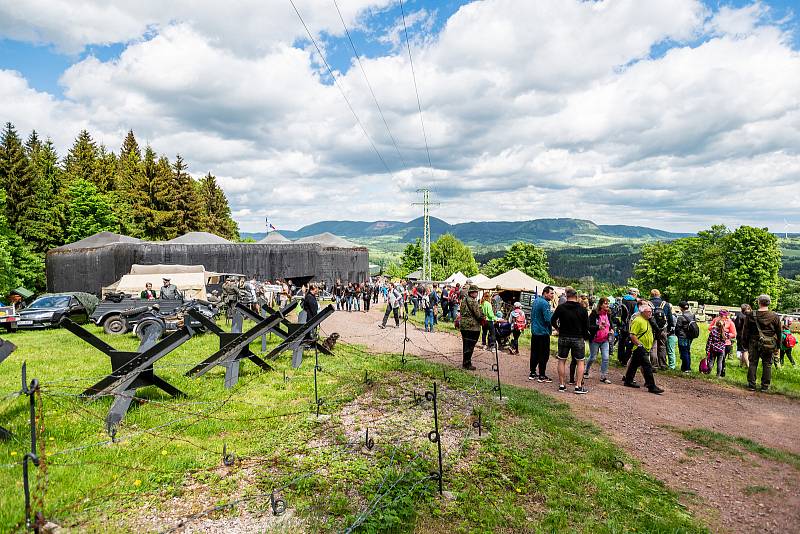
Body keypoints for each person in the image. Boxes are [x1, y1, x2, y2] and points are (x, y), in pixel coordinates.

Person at [551, 287, 590, 394]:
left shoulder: (561, 307)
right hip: (578, 337)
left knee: (562, 360)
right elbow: (587, 326)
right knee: (580, 361)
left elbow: (552, 320)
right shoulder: (582, 309)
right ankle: (578, 386)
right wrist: (584, 335)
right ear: (576, 297)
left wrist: (558, 329)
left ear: (567, 296)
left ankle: (562, 385)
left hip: (563, 336)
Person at [623, 302, 664, 394]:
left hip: (644, 347)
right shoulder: (638, 320)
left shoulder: (648, 320)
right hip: (640, 347)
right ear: (642, 312)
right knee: (647, 366)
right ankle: (651, 386)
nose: (650, 313)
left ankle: (628, 380)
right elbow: (632, 335)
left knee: (633, 365)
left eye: (650, 311)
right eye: (648, 311)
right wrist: (639, 345)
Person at [745, 294, 782, 391]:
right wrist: (778, 346)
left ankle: (751, 385)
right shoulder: (774, 316)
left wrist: (744, 344)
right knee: (767, 364)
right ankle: (765, 386)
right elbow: (779, 332)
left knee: (753, 363)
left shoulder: (751, 315)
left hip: (753, 342)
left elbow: (746, 331)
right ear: (769, 303)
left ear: (758, 302)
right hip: (769, 343)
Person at [530, 286, 555, 382]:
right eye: (551, 293)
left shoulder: (536, 301)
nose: (552, 295)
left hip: (535, 331)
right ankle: (542, 375)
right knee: (544, 355)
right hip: (543, 332)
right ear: (545, 293)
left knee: (534, 353)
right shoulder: (545, 304)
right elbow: (548, 319)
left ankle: (532, 372)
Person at [458, 285, 484, 370]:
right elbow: (478, 315)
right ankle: (467, 364)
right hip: (472, 327)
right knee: (470, 346)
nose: (477, 294)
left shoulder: (464, 300)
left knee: (466, 345)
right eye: (476, 292)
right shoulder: (473, 301)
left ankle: (465, 362)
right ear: (472, 293)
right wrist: (483, 318)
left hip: (464, 325)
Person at [586, 297, 612, 384]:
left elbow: (610, 325)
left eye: (608, 303)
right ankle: (586, 370)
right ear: (600, 305)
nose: (607, 305)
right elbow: (588, 326)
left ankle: (603, 376)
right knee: (593, 357)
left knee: (606, 358)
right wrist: (598, 327)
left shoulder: (608, 314)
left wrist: (611, 329)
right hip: (595, 339)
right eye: (605, 303)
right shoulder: (594, 313)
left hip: (605, 340)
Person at [649, 289, 674, 370]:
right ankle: (663, 365)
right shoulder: (665, 304)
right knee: (662, 346)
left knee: (653, 347)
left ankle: (654, 365)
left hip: (651, 327)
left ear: (651, 295)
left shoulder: (648, 303)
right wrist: (670, 328)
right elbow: (670, 317)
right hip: (663, 328)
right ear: (659, 295)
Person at [708, 310, 736, 377]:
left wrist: (725, 335)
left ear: (726, 315)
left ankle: (721, 374)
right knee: (712, 359)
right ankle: (709, 372)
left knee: (721, 361)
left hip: (725, 344)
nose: (720, 316)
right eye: (719, 315)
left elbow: (734, 334)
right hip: (714, 343)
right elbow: (709, 328)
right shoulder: (716, 320)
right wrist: (713, 328)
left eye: (721, 315)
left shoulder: (730, 322)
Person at [618, 288, 639, 365]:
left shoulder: (622, 300)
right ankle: (625, 360)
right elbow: (636, 314)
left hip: (622, 324)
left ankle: (620, 358)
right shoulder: (634, 302)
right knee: (630, 343)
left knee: (621, 342)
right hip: (630, 325)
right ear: (634, 294)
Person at [674, 301, 697, 372]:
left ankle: (687, 368)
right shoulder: (693, 315)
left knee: (683, 352)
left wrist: (677, 335)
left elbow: (677, 328)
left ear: (681, 308)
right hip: (690, 336)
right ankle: (684, 367)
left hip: (682, 336)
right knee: (687, 351)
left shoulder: (680, 317)